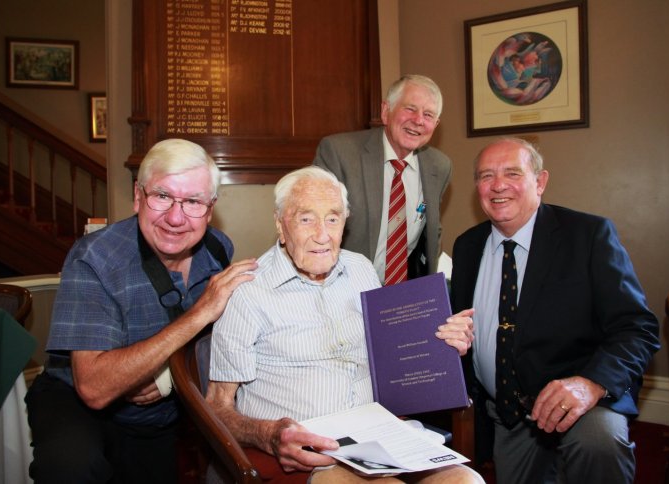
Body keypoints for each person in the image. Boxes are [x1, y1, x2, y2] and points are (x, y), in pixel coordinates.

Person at [206, 166, 482, 483]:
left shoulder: (361, 269)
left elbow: (391, 356)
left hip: (377, 439)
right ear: (280, 225)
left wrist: (441, 346)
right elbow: (217, 407)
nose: (322, 235)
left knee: (466, 480)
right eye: (306, 219)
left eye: (333, 218)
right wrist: (267, 433)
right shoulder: (247, 291)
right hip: (305, 456)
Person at [25, 138, 258, 483]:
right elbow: (94, 387)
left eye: (193, 201)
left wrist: (166, 376)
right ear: (138, 197)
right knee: (71, 466)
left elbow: (219, 336)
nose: (176, 218)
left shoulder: (218, 249)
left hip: (158, 411)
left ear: (209, 209)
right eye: (162, 196)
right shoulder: (95, 258)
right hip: (76, 400)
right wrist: (200, 312)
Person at [450, 137, 661, 483]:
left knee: (599, 444)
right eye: (486, 176)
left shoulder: (588, 235)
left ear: (541, 181)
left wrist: (591, 384)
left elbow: (636, 327)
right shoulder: (468, 246)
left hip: (583, 403)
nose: (498, 185)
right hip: (506, 414)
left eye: (512, 173)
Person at [313, 74, 452, 284]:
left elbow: (431, 234)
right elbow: (312, 226)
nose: (418, 120)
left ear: (436, 123)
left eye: (429, 114)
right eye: (410, 109)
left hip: (400, 295)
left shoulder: (439, 166)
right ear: (386, 112)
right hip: (340, 290)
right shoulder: (339, 153)